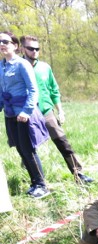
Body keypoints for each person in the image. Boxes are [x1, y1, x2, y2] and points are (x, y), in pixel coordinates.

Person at [20, 35, 93, 184]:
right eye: (30, 48)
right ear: (22, 48)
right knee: (28, 150)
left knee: (63, 142)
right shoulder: (17, 66)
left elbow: (54, 90)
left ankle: (78, 174)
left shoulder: (45, 67)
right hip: (26, 114)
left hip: (46, 112)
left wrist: (60, 111)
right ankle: (36, 181)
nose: (34, 51)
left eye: (37, 49)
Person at [0, 31, 50, 198]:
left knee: (28, 150)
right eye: (0, 41)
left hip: (23, 114)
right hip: (9, 114)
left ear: (15, 46)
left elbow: (33, 90)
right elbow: (2, 92)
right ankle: (34, 183)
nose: (2, 44)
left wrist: (26, 111)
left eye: (5, 41)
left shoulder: (22, 64)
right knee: (21, 150)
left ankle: (42, 186)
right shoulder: (2, 66)